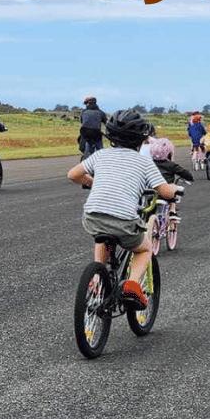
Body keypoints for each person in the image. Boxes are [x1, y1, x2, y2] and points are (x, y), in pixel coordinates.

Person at [67, 110, 178, 310]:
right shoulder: (144, 162)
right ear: (142, 139)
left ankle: (98, 276)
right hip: (124, 220)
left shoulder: (100, 155)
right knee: (144, 249)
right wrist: (175, 191)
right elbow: (164, 190)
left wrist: (92, 182)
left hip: (92, 216)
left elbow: (73, 174)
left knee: (102, 236)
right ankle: (132, 285)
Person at [147, 135, 194, 222]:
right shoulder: (171, 165)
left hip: (150, 192)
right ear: (169, 152)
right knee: (176, 189)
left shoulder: (148, 164)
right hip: (166, 192)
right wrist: (189, 177)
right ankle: (173, 211)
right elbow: (186, 174)